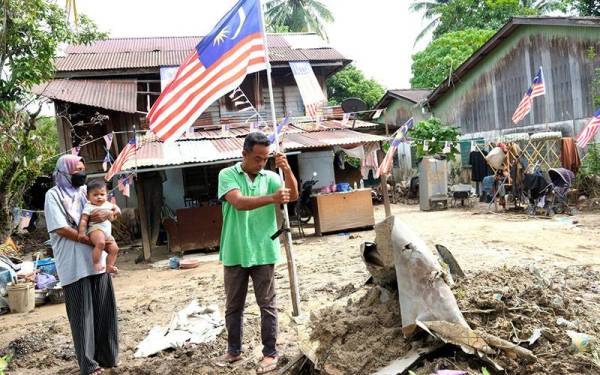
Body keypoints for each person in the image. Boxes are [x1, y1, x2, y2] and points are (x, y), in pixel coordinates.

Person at [215, 132, 298, 374]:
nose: (261, 162)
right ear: (245, 154)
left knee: (267, 305)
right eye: (257, 158)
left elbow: (291, 196)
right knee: (233, 305)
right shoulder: (227, 175)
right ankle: (233, 351)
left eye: (265, 158)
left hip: (263, 250)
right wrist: (272, 197)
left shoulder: (271, 177)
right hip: (235, 250)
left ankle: (270, 353)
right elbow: (239, 202)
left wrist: (288, 170)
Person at [44, 155, 119, 375]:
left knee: (104, 310)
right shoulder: (53, 195)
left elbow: (105, 212)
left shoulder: (86, 192)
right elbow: (60, 228)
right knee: (82, 316)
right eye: (77, 169)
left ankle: (107, 357)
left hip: (97, 261)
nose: (81, 173)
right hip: (74, 263)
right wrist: (90, 239)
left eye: (83, 169)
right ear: (64, 171)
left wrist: (109, 216)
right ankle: (88, 364)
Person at [78, 179, 120, 273]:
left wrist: (116, 210)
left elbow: (116, 209)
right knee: (100, 243)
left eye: (102, 194)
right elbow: (84, 220)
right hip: (95, 229)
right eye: (95, 195)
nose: (99, 197)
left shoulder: (108, 204)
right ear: (88, 197)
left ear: (107, 195)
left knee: (114, 249)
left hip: (107, 233)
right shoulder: (89, 206)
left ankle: (109, 266)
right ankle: (96, 263)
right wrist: (81, 232)